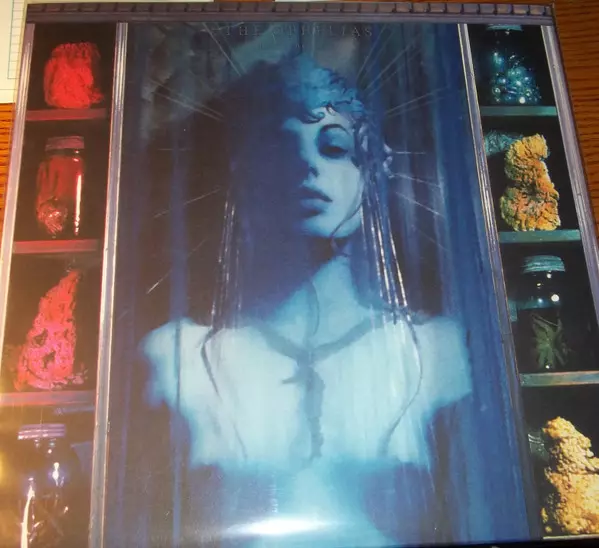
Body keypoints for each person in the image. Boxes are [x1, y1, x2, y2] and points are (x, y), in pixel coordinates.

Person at [141, 54, 472, 547]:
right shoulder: (176, 357)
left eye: (334, 147)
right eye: (279, 149)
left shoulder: (439, 352)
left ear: (374, 169)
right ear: (244, 175)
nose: (306, 166)